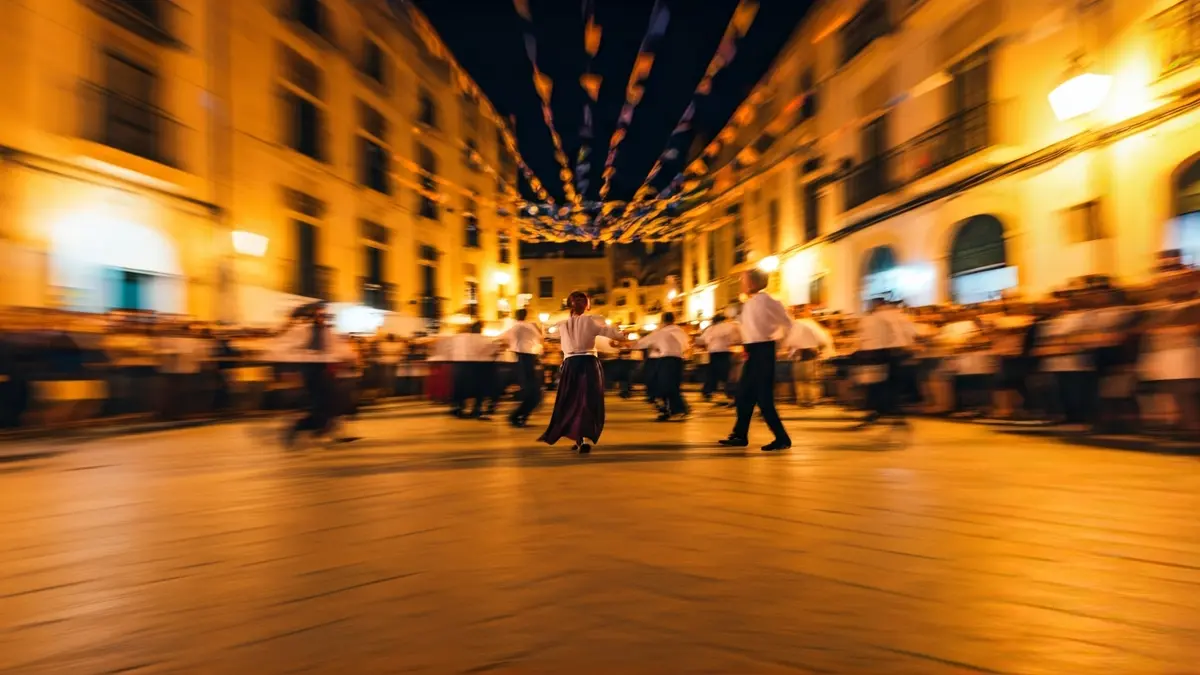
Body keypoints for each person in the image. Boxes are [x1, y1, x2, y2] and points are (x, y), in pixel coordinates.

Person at [539, 290, 625, 454]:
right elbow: (612, 333)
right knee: (587, 400)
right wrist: (621, 333)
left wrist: (544, 327)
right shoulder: (592, 321)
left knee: (572, 401)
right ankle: (583, 438)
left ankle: (579, 438)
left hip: (570, 364)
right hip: (588, 363)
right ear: (587, 305)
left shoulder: (562, 324)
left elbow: (547, 334)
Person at [719, 270, 793, 451]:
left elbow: (787, 323)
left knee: (763, 398)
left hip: (763, 351)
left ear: (752, 283)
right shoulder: (751, 302)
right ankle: (740, 434)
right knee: (744, 395)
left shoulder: (767, 301)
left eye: (743, 280)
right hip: (754, 352)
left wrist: (777, 342)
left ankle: (782, 438)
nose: (740, 283)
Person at [278, 303, 356, 448]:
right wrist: (305, 355)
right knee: (321, 404)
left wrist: (350, 356)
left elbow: (338, 347)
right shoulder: (303, 330)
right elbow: (287, 346)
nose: (322, 318)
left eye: (324, 315)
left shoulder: (326, 331)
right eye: (320, 315)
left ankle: (320, 430)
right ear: (313, 316)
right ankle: (300, 428)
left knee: (331, 402)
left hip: (323, 370)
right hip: (310, 370)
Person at [854, 298, 916, 429]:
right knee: (887, 385)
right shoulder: (894, 316)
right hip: (889, 353)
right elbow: (899, 334)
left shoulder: (873, 317)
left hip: (875, 353)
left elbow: (863, 337)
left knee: (876, 385)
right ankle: (890, 413)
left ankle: (878, 412)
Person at [635, 312, 691, 421]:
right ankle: (673, 410)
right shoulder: (680, 331)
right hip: (678, 360)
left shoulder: (661, 332)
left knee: (664, 385)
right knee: (673, 385)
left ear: (663, 321)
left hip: (665, 360)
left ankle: (677, 410)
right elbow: (686, 346)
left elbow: (642, 343)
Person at [499, 308, 544, 428]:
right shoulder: (530, 326)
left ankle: (517, 416)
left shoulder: (515, 326)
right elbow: (541, 337)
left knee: (530, 390)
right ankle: (518, 416)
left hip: (520, 359)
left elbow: (501, 338)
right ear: (526, 315)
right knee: (533, 391)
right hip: (530, 358)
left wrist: (508, 345)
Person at [785, 305, 833, 408]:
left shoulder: (794, 324)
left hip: (798, 356)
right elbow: (822, 339)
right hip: (810, 355)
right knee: (810, 380)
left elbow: (789, 342)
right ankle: (811, 400)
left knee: (800, 381)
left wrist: (789, 351)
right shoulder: (810, 324)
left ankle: (802, 400)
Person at [698, 314, 740, 406]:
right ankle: (730, 392)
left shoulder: (711, 329)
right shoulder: (729, 326)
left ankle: (708, 391)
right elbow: (735, 339)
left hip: (713, 353)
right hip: (725, 352)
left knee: (712, 373)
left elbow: (702, 340)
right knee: (726, 373)